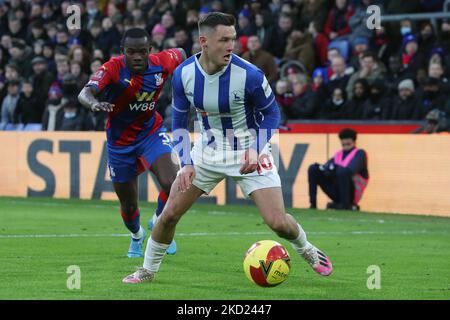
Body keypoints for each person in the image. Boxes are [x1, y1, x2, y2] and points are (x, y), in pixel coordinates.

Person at [123, 12, 333, 284]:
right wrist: (186, 162)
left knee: (278, 222)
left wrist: (257, 148)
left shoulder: (250, 75)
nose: (231, 45)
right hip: (206, 153)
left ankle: (307, 249)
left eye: (233, 39)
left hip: (248, 150)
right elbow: (179, 120)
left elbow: (272, 115)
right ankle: (147, 270)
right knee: (169, 214)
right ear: (204, 42)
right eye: (224, 39)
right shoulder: (184, 74)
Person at [78, 28, 186, 258]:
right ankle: (137, 236)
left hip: (151, 132)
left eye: (142, 52)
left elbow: (182, 52)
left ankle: (159, 223)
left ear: (150, 50)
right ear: (122, 52)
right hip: (120, 144)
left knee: (173, 181)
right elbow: (85, 93)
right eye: (131, 52)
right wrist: (94, 103)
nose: (137, 56)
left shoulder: (162, 62)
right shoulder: (112, 68)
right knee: (128, 205)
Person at [308, 128, 369, 211]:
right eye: (343, 145)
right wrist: (325, 168)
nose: (346, 147)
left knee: (342, 172)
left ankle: (346, 206)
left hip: (351, 194)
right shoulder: (338, 154)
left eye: (348, 144)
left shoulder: (360, 154)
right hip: (337, 191)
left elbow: (350, 170)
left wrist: (333, 168)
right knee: (313, 169)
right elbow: (327, 169)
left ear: (354, 142)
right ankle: (313, 205)